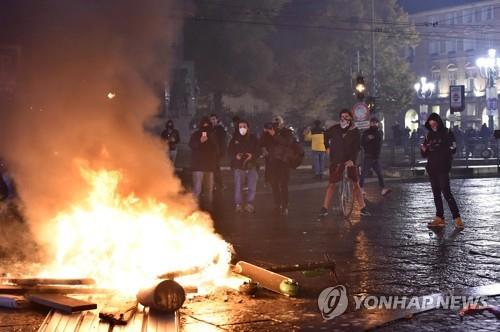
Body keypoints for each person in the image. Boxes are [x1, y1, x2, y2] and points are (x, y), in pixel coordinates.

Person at [319, 109, 370, 218]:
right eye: (342, 116)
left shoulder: (354, 130)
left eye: (346, 116)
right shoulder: (335, 128)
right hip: (336, 160)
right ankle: (324, 208)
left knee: (355, 184)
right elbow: (325, 135)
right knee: (332, 184)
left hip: (349, 161)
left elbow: (356, 147)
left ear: (351, 118)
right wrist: (327, 147)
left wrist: (352, 160)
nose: (344, 119)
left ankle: (363, 208)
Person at [421, 113, 464, 229]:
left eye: (434, 124)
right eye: (431, 125)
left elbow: (453, 149)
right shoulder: (429, 135)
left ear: (438, 122)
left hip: (443, 167)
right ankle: (439, 218)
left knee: (446, 193)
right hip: (432, 167)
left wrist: (439, 147)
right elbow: (425, 154)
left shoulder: (447, 132)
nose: (433, 126)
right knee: (436, 194)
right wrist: (424, 149)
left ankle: (457, 218)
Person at [261, 115, 294, 216]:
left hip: (284, 161)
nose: (277, 123)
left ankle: (285, 206)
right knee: (274, 183)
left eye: (278, 121)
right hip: (272, 162)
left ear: (282, 122)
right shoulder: (268, 132)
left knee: (283, 185)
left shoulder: (287, 132)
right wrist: (265, 132)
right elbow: (261, 143)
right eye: (275, 121)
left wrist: (274, 134)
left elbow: (286, 143)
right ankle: (277, 204)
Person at [228, 120, 260, 213]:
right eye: (240, 126)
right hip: (238, 166)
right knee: (238, 186)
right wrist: (236, 156)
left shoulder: (253, 138)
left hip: (251, 165)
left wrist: (252, 155)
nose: (242, 128)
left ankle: (249, 204)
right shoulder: (234, 139)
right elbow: (229, 151)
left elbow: (258, 151)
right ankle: (238, 205)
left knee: (252, 186)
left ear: (248, 127)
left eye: (244, 126)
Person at [189, 117, 219, 209]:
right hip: (198, 166)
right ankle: (195, 208)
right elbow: (191, 145)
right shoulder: (196, 135)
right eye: (203, 125)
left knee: (209, 190)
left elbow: (217, 149)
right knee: (197, 189)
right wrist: (200, 141)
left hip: (209, 166)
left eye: (207, 125)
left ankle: (209, 208)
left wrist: (211, 140)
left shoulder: (213, 135)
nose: (205, 127)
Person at [360, 118, 391, 196]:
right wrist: (367, 138)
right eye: (372, 123)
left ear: (377, 123)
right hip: (368, 156)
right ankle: (360, 188)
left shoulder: (379, 132)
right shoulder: (366, 132)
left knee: (379, 173)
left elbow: (378, 141)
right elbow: (362, 143)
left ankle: (383, 189)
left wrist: (371, 137)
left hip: (376, 157)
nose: (374, 124)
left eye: (375, 123)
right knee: (364, 173)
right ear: (370, 123)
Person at [209, 114, 227, 191]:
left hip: (217, 153)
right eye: (211, 119)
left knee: (215, 169)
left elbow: (223, 141)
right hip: (210, 153)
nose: (212, 121)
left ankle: (220, 185)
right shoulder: (210, 129)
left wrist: (221, 152)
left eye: (214, 119)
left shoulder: (220, 129)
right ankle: (215, 185)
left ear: (217, 120)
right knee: (212, 169)